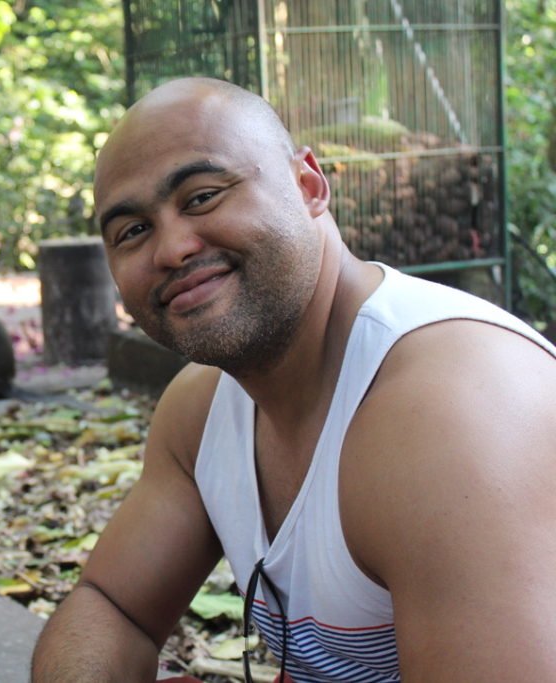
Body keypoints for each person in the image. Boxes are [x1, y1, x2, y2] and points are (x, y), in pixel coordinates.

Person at [31, 77, 556, 682]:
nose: (171, 248)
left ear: (308, 185)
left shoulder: (452, 410)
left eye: (202, 196)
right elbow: (111, 606)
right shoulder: (201, 414)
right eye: (133, 231)